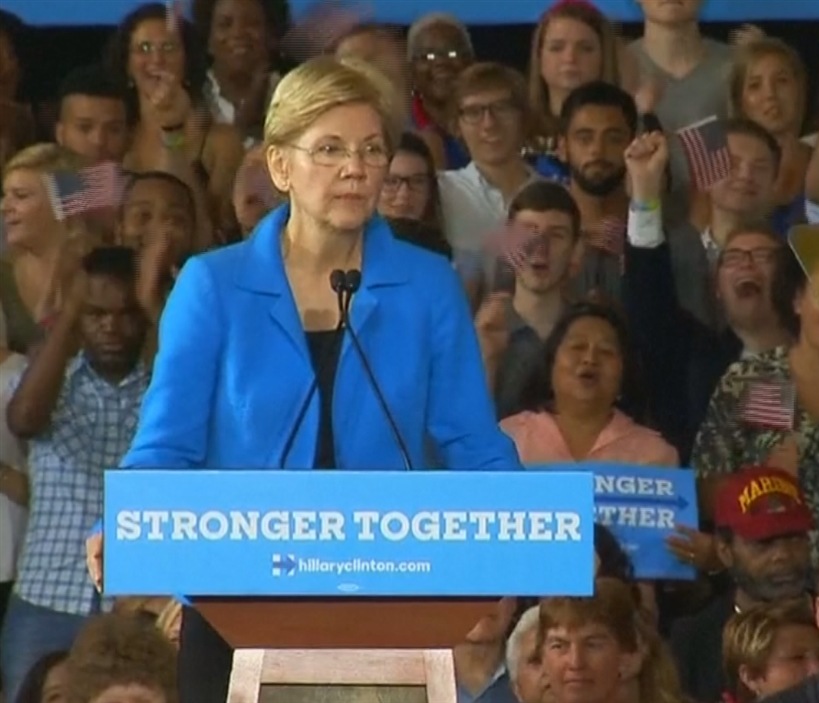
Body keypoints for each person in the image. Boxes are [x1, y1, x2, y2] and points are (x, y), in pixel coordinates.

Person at [85, 55, 520, 703]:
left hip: (387, 598)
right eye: (331, 149)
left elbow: (472, 442)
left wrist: (528, 526)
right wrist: (128, 523)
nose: (356, 167)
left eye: (373, 149)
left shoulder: (426, 287)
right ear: (280, 166)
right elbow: (166, 445)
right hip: (237, 598)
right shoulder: (215, 285)